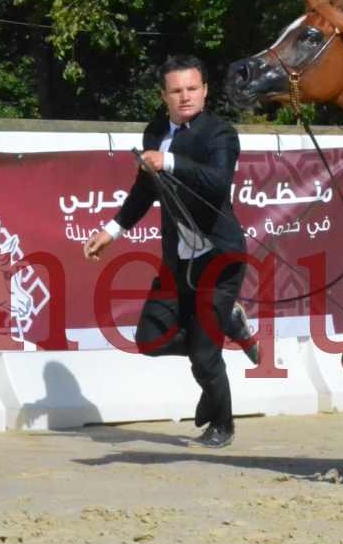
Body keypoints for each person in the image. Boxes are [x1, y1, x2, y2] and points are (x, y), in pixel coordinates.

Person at [84, 55, 257, 448]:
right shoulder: (155, 131)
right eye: (176, 91)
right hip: (178, 257)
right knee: (150, 339)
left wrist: (170, 161)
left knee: (203, 351)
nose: (185, 97)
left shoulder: (220, 134)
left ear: (206, 91)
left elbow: (217, 184)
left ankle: (223, 425)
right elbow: (146, 188)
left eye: (192, 89)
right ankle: (223, 329)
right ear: (163, 95)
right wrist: (113, 230)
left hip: (220, 257)